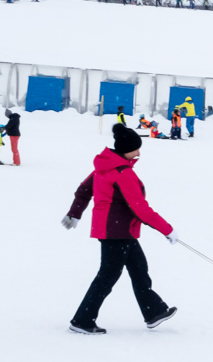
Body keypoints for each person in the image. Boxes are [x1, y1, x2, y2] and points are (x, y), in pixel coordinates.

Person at [62, 123, 179, 335]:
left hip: (119, 231)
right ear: (127, 150)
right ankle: (82, 320)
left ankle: (153, 312)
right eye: (136, 149)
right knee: (107, 276)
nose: (139, 153)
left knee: (139, 270)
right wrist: (167, 229)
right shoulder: (122, 173)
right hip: (116, 232)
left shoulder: (104, 167)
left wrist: (75, 213)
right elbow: (140, 209)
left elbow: (83, 190)